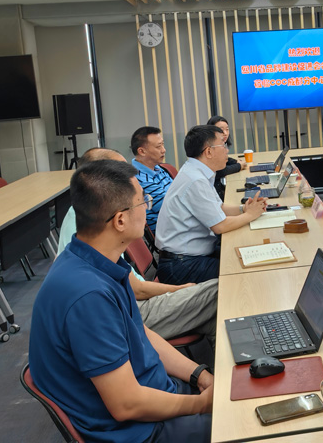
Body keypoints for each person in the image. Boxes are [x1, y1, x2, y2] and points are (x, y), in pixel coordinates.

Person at [30, 160, 213, 443]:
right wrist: (201, 404)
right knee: (252, 423)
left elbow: (141, 334)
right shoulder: (87, 296)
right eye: (143, 202)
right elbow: (126, 405)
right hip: (141, 431)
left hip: (158, 396)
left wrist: (200, 375)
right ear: (120, 220)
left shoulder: (95, 260)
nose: (148, 207)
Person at [57, 147, 218, 347]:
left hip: (132, 302)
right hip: (131, 308)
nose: (131, 177)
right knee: (218, 294)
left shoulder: (93, 219)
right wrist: (179, 290)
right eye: (122, 172)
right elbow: (135, 291)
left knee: (214, 307)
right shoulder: (90, 229)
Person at [155, 125, 267, 285]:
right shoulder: (195, 179)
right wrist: (250, 215)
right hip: (181, 265)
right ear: (208, 152)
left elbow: (219, 208)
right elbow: (220, 226)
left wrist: (244, 209)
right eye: (223, 145)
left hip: (191, 256)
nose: (227, 150)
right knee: (243, 273)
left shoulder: (198, 172)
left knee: (247, 255)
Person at [131, 126, 173, 234]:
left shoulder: (159, 169)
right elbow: (173, 209)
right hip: (169, 233)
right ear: (142, 151)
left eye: (163, 144)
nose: (163, 150)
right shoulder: (138, 179)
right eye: (158, 146)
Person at [206, 115, 247, 198]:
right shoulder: (209, 148)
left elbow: (225, 159)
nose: (225, 133)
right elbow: (219, 171)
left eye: (227, 129)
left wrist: (235, 162)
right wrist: (239, 166)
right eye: (221, 130)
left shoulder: (219, 144)